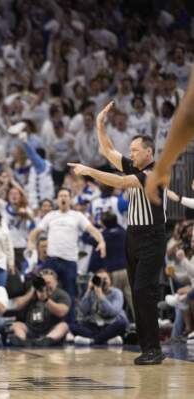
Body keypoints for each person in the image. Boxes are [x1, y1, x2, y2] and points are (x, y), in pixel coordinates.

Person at [68, 101, 167, 365]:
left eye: (135, 151)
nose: (131, 154)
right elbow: (108, 150)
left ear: (148, 152)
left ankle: (154, 349)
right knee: (138, 293)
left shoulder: (155, 171)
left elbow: (122, 182)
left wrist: (90, 171)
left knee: (144, 291)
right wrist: (101, 125)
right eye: (131, 150)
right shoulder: (136, 166)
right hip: (133, 236)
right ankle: (147, 347)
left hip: (151, 237)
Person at [27, 188, 106, 322]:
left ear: (70, 199)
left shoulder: (77, 216)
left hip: (69, 261)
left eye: (66, 196)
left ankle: (69, 326)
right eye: (61, 195)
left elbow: (92, 230)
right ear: (57, 200)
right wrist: (30, 242)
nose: (63, 198)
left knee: (70, 293)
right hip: (52, 259)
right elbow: (36, 231)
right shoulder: (51, 215)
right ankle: (44, 322)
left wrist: (102, 241)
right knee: (44, 291)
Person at [146, 65, 194, 204]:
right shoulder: (160, 120)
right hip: (164, 153)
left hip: (174, 155)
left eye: (166, 108)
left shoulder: (174, 118)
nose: (163, 110)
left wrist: (160, 169)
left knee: (181, 182)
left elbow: (189, 113)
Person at [8, 269, 71, 347]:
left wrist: (46, 299)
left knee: (64, 326)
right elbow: (16, 306)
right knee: (17, 325)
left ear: (56, 283)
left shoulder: (61, 294)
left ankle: (46, 340)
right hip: (30, 329)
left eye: (48, 283)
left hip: (50, 330)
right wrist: (31, 292)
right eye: (43, 283)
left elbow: (62, 312)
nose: (46, 286)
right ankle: (21, 340)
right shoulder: (32, 291)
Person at [71, 269, 128, 346]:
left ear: (110, 280)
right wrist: (88, 291)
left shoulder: (117, 293)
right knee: (73, 325)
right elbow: (83, 311)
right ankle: (106, 340)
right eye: (99, 279)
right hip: (94, 325)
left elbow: (112, 312)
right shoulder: (91, 292)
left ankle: (92, 340)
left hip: (110, 324)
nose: (102, 282)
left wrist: (100, 296)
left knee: (122, 324)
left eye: (105, 279)